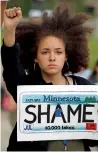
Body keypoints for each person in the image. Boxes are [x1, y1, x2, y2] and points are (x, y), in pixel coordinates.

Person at [1, 3, 97, 151]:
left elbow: (92, 138)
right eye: (45, 52)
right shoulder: (26, 88)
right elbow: (11, 67)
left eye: (58, 52)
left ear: (66, 56)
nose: (52, 57)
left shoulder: (85, 88)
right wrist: (10, 29)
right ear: (35, 57)